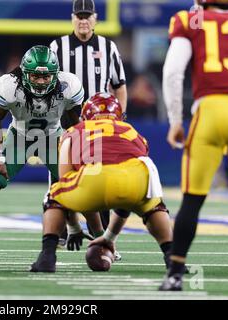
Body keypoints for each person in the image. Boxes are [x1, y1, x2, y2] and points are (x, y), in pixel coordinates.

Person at [159, 0, 228, 292]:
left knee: (193, 199)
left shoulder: (192, 20)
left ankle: (175, 274)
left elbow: (173, 73)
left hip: (209, 112)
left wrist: (175, 120)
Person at [0, 45, 84, 259]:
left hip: (53, 137)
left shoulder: (68, 85)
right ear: (24, 74)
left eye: (46, 77)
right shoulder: (9, 86)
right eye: (35, 76)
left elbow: (74, 121)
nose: (41, 82)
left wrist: (78, 150)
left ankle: (102, 240)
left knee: (78, 183)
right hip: (20, 137)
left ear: (55, 75)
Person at [30, 92, 174, 272]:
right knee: (153, 207)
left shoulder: (74, 131)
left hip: (95, 176)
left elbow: (65, 181)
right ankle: (173, 258)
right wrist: (109, 238)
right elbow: (125, 203)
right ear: (120, 116)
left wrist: (74, 227)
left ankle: (47, 257)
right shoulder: (132, 132)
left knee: (53, 196)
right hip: (137, 175)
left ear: (85, 116)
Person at [50, 0, 128, 233]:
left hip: (100, 124)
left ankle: (102, 234)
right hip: (66, 121)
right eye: (79, 16)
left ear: (95, 19)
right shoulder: (58, 46)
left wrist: (120, 118)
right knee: (60, 175)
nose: (83, 20)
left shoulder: (108, 47)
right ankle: (60, 231)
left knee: (100, 177)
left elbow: (120, 86)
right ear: (72, 18)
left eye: (87, 16)